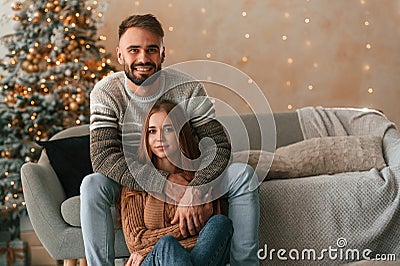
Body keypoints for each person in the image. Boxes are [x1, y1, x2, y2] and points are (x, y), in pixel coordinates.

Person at [80, 13, 259, 265]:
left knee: (243, 175)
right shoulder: (106, 92)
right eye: (134, 50)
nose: (143, 58)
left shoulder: (188, 88)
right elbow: (103, 157)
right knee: (92, 184)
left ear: (162, 54)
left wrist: (195, 190)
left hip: (185, 171)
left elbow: (217, 145)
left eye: (151, 49)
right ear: (120, 55)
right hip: (131, 178)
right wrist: (164, 183)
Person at [120, 99, 233, 265]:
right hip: (156, 260)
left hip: (197, 257)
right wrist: (170, 240)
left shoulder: (199, 179)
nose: (159, 138)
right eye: (152, 131)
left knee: (219, 223)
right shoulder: (137, 181)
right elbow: (136, 241)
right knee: (167, 245)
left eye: (168, 129)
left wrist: (149, 247)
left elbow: (210, 235)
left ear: (180, 132)